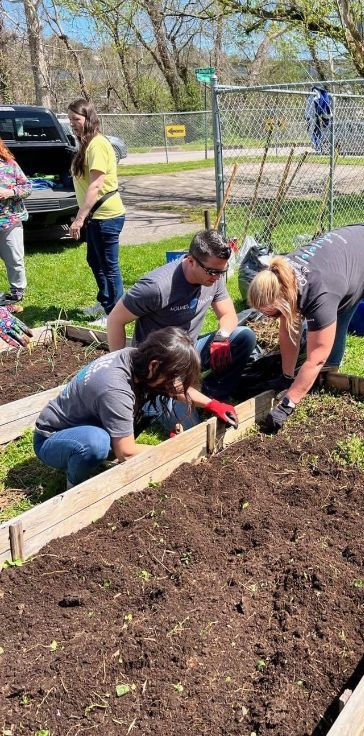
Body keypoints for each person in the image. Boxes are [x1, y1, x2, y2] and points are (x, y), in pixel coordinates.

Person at [247, 221, 364, 432]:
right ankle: (331, 378)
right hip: (355, 259)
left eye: (274, 313)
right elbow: (288, 329)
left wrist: (288, 404)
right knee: (330, 324)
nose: (273, 319)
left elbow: (316, 356)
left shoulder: (320, 293)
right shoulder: (281, 275)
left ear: (285, 300)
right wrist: (287, 378)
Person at [107, 229, 256, 428]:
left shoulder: (213, 278)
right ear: (191, 260)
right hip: (161, 366)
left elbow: (229, 315)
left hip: (190, 352)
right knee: (191, 429)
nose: (218, 278)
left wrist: (223, 335)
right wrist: (123, 374)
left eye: (223, 271)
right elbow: (115, 320)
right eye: (213, 272)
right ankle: (162, 399)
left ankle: (211, 393)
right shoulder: (156, 287)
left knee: (243, 337)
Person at [33, 327, 201, 490]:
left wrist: (213, 404)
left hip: (86, 424)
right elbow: (127, 453)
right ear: (154, 366)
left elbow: (177, 390)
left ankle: (103, 453)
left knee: (150, 405)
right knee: (96, 443)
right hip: (51, 438)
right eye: (171, 376)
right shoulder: (116, 388)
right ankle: (75, 488)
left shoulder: (134, 357)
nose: (172, 383)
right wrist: (173, 450)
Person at [67, 98, 125, 325]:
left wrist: (79, 219)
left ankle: (115, 314)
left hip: (106, 215)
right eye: (70, 119)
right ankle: (106, 302)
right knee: (95, 261)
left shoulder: (98, 145)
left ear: (88, 118)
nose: (73, 123)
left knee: (109, 266)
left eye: (77, 119)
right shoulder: (86, 143)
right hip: (95, 217)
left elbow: (96, 185)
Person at [0, 137, 32, 307]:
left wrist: (10, 192)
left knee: (14, 258)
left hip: (9, 221)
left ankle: (17, 292)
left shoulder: (10, 165)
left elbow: (27, 187)